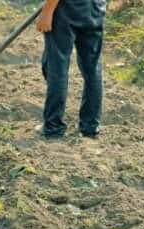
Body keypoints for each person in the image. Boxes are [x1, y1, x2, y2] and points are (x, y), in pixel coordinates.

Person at [36, 0, 106, 138]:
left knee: (57, 67)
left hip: (66, 9)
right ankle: (90, 126)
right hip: (95, 8)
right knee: (93, 68)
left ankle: (53, 127)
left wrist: (47, 11)